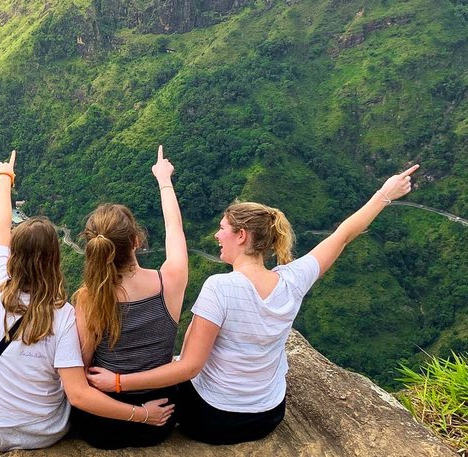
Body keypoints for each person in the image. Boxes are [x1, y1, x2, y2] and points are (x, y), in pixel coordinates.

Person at [87, 164, 420, 445]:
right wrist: (385, 194)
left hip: (212, 420)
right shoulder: (293, 279)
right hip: (267, 416)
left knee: (177, 375)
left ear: (241, 236)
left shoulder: (220, 288)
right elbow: (343, 235)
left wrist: (118, 382)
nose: (217, 236)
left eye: (222, 229)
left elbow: (189, 367)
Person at [0, 150, 174, 451]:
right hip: (43, 432)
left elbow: (1, 227)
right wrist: (142, 414)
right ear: (55, 261)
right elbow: (77, 394)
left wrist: (4, 178)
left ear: (14, 256)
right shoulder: (63, 315)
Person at [70, 145, 188, 449]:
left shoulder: (88, 298)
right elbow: (174, 228)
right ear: (137, 241)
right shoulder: (169, 282)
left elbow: (82, 366)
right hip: (161, 416)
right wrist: (164, 180)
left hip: (101, 424)